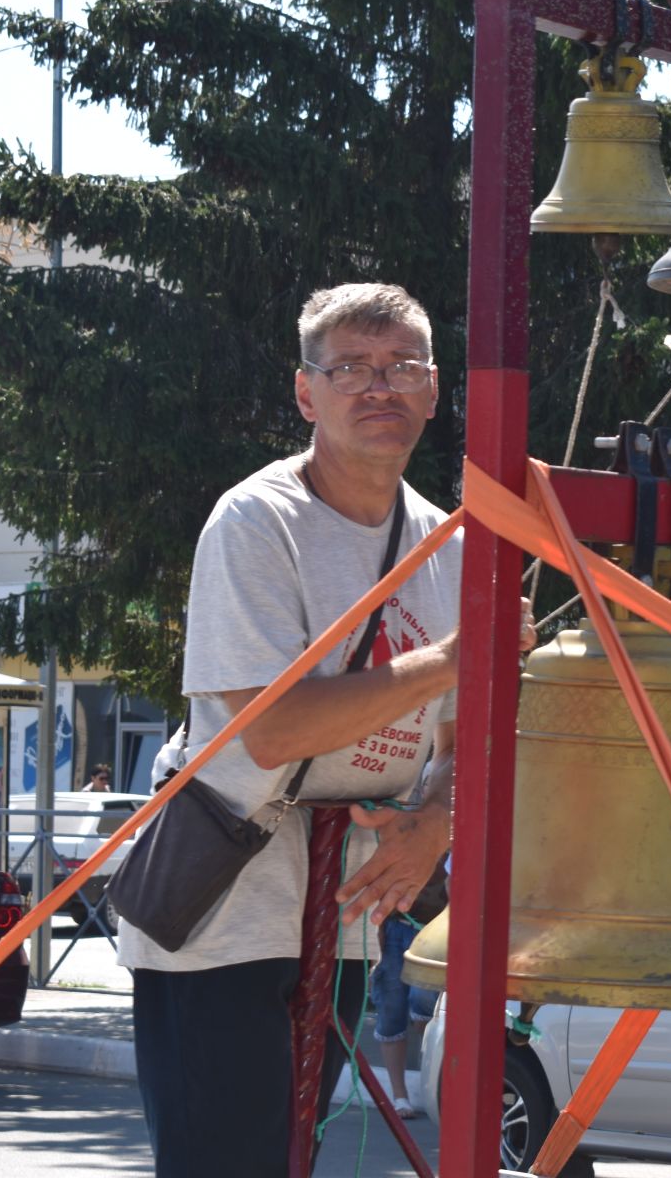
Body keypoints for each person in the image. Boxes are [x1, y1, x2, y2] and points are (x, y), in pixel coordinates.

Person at [117, 283, 530, 1178]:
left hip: (342, 903)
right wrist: (463, 655)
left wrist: (437, 821)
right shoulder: (258, 520)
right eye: (350, 369)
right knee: (227, 1164)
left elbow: (472, 739)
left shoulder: (450, 544)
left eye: (402, 367)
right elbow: (273, 730)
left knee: (291, 1155)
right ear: (307, 394)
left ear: (432, 389)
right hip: (224, 902)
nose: (378, 387)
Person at [369, 853, 448, 1117]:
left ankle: (432, 1088)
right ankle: (400, 1096)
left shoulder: (449, 832)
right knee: (390, 1009)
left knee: (424, 1003)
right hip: (394, 928)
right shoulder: (402, 822)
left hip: (434, 933)